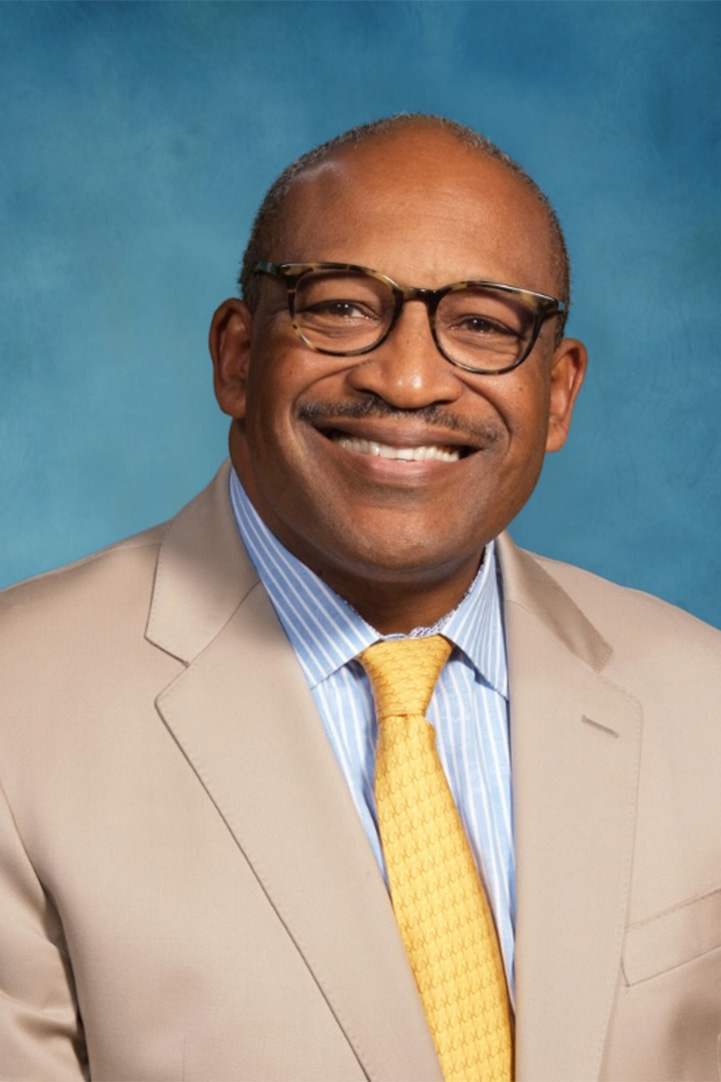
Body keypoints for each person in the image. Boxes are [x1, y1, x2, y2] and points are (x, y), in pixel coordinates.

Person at [1, 114, 719, 1082]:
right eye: (339, 307)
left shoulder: (698, 694)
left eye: (482, 322)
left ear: (557, 394)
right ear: (236, 356)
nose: (409, 377)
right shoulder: (22, 708)